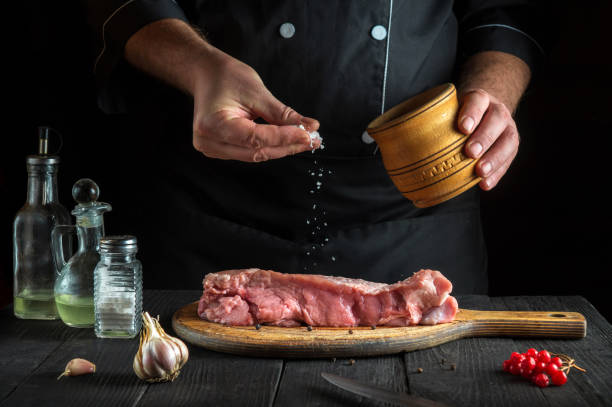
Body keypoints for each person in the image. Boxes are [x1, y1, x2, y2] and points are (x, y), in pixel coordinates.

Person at [82, 1, 543, 293]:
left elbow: (506, 10)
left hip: (410, 229)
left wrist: (492, 95)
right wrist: (200, 67)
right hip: (213, 219)